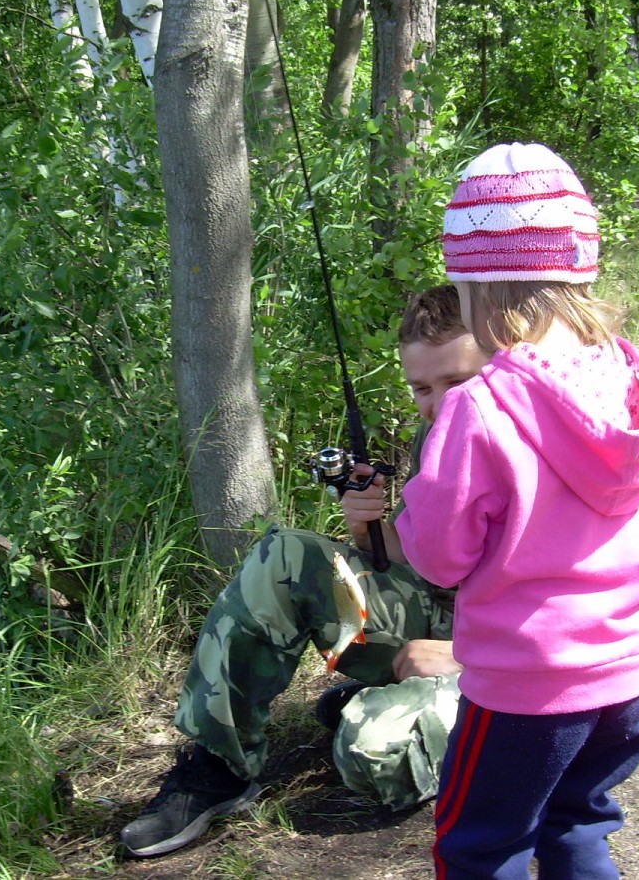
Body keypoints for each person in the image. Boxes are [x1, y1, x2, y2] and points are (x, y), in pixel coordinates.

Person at [394, 142, 639, 879]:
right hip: (626, 678)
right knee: (577, 826)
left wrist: (414, 493)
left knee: (480, 846)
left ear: (474, 290)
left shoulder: (479, 407)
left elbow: (438, 556)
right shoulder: (629, 376)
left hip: (528, 691)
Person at [119, 284, 487, 858]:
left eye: (458, 382)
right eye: (422, 387)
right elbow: (427, 558)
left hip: (505, 656)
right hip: (439, 617)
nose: (438, 403)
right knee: (286, 553)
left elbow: (581, 604)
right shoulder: (435, 435)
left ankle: (391, 701)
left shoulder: (537, 444)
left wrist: (467, 654)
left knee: (372, 752)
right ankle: (219, 766)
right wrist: (368, 526)